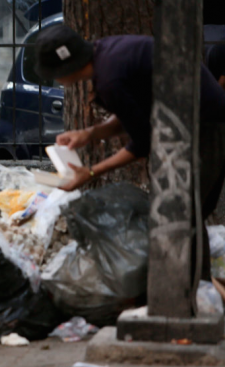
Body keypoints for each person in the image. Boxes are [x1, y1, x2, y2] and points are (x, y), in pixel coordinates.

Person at [34, 26, 225, 280]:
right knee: (189, 212)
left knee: (183, 213)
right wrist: (89, 133)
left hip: (205, 126)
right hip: (197, 121)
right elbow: (130, 118)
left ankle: (193, 291)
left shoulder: (110, 78)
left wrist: (90, 172)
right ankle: (198, 287)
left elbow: (142, 144)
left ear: (64, 70)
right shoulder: (107, 54)